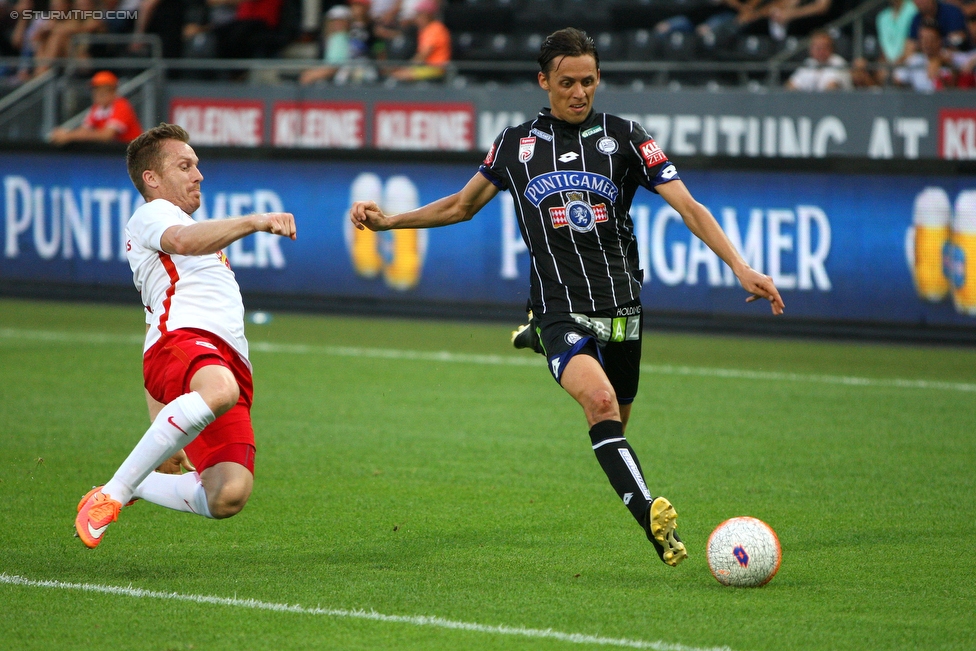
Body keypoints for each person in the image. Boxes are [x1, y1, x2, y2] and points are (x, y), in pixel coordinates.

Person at [351, 27, 784, 568]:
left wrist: (740, 267)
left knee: (616, 424)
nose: (579, 93)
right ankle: (652, 519)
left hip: (623, 309)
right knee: (599, 404)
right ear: (543, 82)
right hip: (559, 306)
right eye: (567, 83)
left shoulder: (627, 138)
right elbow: (461, 206)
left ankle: (538, 341)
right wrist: (391, 221)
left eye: (588, 81)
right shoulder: (516, 145)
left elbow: (689, 206)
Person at [74, 123, 297, 548]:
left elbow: (148, 315)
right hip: (185, 344)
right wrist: (254, 220)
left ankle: (133, 482)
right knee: (219, 389)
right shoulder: (153, 215)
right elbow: (180, 242)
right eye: (185, 165)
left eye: (197, 165)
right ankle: (111, 496)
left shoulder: (194, 236)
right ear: (152, 179)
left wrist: (159, 419)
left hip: (225, 360)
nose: (199, 174)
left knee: (228, 493)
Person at [49, 71, 143, 145]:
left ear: (113, 91)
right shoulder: (97, 108)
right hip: (116, 155)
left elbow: (106, 136)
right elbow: (84, 130)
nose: (97, 94)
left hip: (133, 154)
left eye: (103, 90)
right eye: (95, 90)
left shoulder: (121, 105)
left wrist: (68, 136)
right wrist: (65, 134)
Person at [387, 0, 449, 82]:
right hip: (426, 67)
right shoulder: (425, 29)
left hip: (436, 69)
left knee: (399, 76)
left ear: (427, 15)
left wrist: (406, 68)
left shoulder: (435, 28)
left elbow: (423, 55)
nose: (417, 18)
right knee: (395, 74)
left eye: (419, 14)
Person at [785, 30, 852, 90]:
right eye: (817, 48)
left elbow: (832, 88)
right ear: (811, 50)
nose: (821, 51)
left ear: (832, 48)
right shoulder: (809, 62)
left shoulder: (838, 62)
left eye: (824, 47)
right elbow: (791, 85)